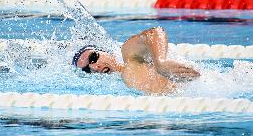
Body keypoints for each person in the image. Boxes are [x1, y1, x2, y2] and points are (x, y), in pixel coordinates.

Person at [72, 27, 200, 95]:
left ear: (106, 52)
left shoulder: (129, 55)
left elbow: (154, 33)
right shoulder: (120, 87)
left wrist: (160, 62)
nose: (95, 67)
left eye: (93, 58)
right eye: (87, 69)